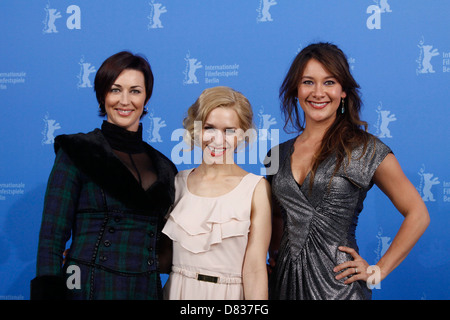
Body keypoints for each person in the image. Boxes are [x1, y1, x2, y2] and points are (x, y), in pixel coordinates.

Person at [266, 42, 430, 300]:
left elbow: (418, 214)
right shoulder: (275, 155)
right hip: (283, 286)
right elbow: (276, 215)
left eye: (329, 82)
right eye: (308, 82)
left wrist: (378, 271)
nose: (318, 92)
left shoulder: (365, 149)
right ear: (296, 89)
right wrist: (275, 255)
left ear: (343, 91)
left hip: (339, 288)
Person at [31, 51, 177, 300]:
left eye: (135, 91)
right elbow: (51, 236)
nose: (125, 100)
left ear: (146, 97)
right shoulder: (78, 151)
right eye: (115, 89)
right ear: (102, 95)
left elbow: (169, 246)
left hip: (145, 288)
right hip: (88, 284)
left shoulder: (165, 167)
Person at [162, 86, 272, 300]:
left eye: (229, 130)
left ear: (243, 135)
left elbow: (255, 270)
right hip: (177, 293)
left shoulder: (255, 188)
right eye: (209, 127)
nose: (218, 139)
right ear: (197, 129)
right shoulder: (177, 183)